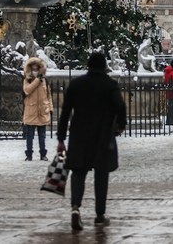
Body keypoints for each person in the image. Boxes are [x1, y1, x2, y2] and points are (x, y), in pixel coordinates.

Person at [56, 52, 126, 231]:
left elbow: (65, 113)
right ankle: (100, 215)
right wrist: (120, 126)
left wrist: (61, 138)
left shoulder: (76, 84)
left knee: (78, 172)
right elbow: (120, 106)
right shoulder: (110, 85)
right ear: (104, 66)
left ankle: (75, 208)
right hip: (103, 135)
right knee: (101, 175)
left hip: (79, 135)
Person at [22, 57, 53, 161]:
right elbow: (27, 90)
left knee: (42, 136)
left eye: (37, 67)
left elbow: (49, 95)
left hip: (42, 111)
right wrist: (37, 80)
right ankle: (29, 155)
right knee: (30, 136)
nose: (35, 69)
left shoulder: (45, 80)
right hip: (31, 111)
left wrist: (50, 108)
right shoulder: (27, 79)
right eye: (33, 67)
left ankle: (43, 154)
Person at [164, 59, 173, 129]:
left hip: (169, 93)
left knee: (170, 108)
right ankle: (172, 123)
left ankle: (169, 121)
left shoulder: (167, 72)